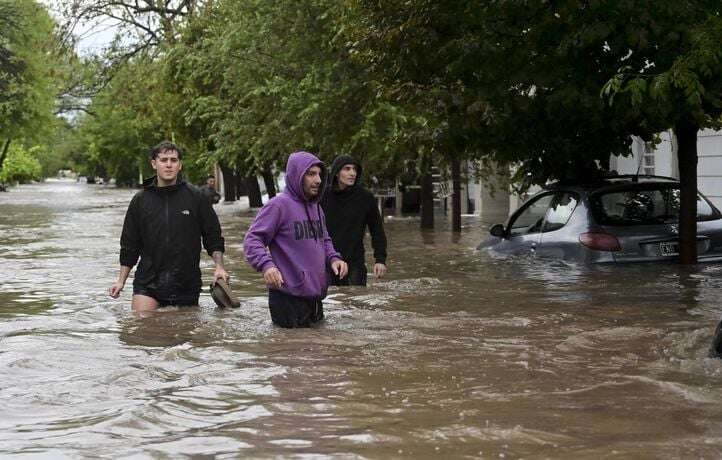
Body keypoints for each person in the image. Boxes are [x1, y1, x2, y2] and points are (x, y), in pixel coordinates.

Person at [109, 141, 229, 310]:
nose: (168, 165)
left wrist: (219, 267)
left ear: (180, 165)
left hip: (186, 282)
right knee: (141, 327)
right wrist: (120, 281)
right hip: (148, 282)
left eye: (173, 160)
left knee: (185, 333)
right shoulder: (140, 200)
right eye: (163, 160)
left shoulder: (197, 197)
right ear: (153, 163)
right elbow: (129, 245)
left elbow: (213, 237)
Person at [243, 151, 348, 328]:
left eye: (319, 174)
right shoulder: (278, 206)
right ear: (296, 175)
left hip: (314, 296)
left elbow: (325, 240)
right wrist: (266, 265)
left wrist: (334, 258)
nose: (318, 180)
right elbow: (252, 240)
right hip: (287, 298)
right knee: (291, 353)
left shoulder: (316, 208)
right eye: (311, 174)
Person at [321, 155, 387, 286]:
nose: (352, 173)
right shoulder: (322, 197)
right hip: (327, 262)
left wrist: (380, 260)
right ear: (336, 173)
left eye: (355, 169)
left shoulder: (365, 198)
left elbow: (377, 231)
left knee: (355, 301)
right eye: (347, 169)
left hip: (355, 264)